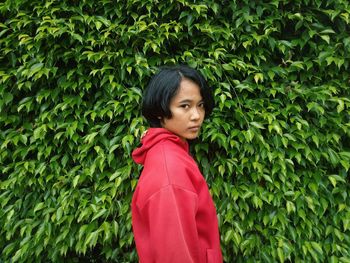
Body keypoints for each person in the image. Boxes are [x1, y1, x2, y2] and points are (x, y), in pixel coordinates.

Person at [131, 65, 223, 263]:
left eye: (201, 105)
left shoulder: (170, 153)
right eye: (185, 106)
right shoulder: (169, 168)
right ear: (159, 112)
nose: (197, 115)